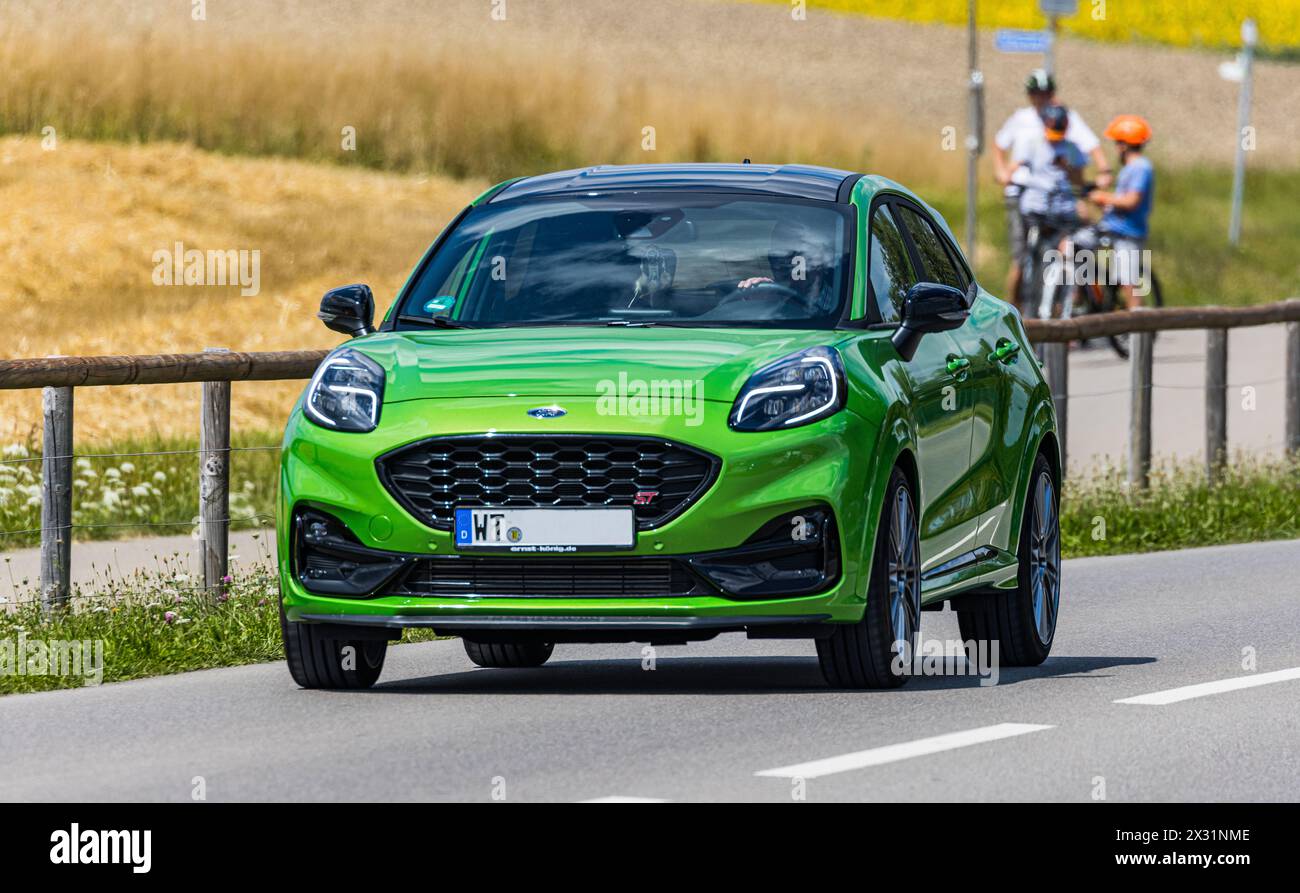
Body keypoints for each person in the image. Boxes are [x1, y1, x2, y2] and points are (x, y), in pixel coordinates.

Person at [993, 69, 1112, 308]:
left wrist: (1103, 171)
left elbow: (1089, 149)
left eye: (1046, 93)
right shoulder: (1022, 119)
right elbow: (1001, 146)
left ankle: (1078, 296)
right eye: (1036, 93)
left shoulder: (1065, 118)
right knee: (1020, 258)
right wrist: (1003, 172)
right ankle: (1014, 309)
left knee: (1079, 233)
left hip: (1057, 197)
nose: (1041, 98)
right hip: (1025, 195)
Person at [1016, 105, 1086, 318]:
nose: (1054, 139)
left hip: (1063, 213)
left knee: (1069, 257)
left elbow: (1079, 181)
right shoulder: (1034, 145)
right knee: (1029, 258)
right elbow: (1014, 168)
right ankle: (1026, 304)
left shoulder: (1072, 149)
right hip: (1036, 211)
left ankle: (1066, 307)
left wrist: (1069, 169)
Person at [1081, 115, 1155, 310]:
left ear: (1123, 145)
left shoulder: (1141, 168)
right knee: (1073, 246)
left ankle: (1138, 328)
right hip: (1111, 227)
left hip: (1128, 232)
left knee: (1128, 282)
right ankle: (1090, 297)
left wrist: (1104, 197)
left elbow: (1131, 201)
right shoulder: (1130, 169)